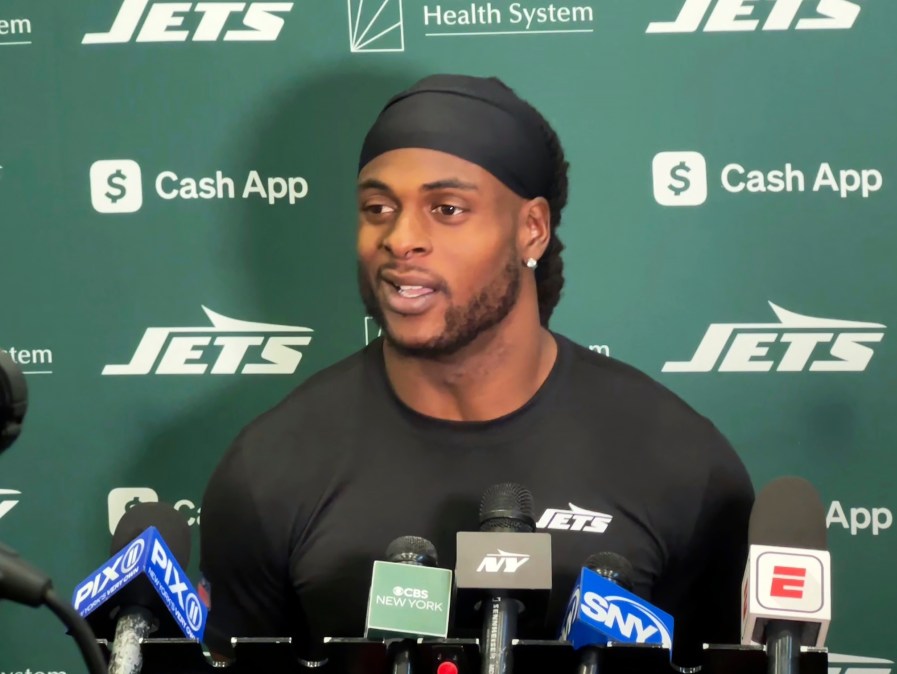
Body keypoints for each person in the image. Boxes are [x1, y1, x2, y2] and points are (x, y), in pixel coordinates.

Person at [198, 73, 754, 667]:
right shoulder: (270, 470)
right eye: (378, 208)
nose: (401, 238)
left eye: (447, 208)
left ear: (531, 229)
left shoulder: (682, 465)